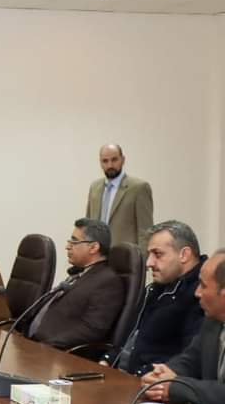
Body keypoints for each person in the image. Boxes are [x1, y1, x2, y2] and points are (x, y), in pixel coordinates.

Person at [108, 220, 205, 376]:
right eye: (149, 255)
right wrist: (107, 360)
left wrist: (148, 375)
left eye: (157, 254)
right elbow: (131, 335)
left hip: (151, 384)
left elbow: (190, 360)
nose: (148, 263)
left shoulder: (201, 294)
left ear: (184, 255)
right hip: (121, 376)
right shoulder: (156, 288)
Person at [141, 248, 225, 404]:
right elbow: (190, 360)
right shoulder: (212, 321)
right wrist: (162, 376)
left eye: (203, 286)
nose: (197, 293)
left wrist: (175, 387)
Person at [22, 218, 124, 350]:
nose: (68, 246)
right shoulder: (80, 274)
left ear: (93, 247)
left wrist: (48, 346)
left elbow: (92, 329)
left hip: (53, 353)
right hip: (30, 343)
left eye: (74, 241)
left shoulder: (108, 282)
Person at [86, 144, 153, 246]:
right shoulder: (94, 188)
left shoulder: (139, 188)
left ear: (123, 160)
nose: (110, 165)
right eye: (105, 161)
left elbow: (145, 231)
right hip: (97, 257)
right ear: (100, 162)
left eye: (114, 160)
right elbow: (88, 226)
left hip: (125, 257)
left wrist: (141, 260)